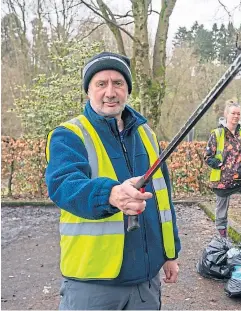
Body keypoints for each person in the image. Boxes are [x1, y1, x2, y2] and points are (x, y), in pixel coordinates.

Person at [45, 51, 181, 310]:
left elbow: (164, 200)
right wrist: (110, 194)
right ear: (88, 91)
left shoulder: (146, 134)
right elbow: (63, 185)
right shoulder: (69, 135)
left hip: (145, 282)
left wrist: (169, 253)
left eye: (118, 83)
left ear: (127, 90)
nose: (110, 92)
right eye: (101, 84)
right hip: (92, 283)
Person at [204, 99, 241, 237]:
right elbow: (208, 157)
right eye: (233, 113)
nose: (236, 116)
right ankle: (223, 240)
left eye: (238, 114)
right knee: (221, 214)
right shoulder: (217, 134)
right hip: (223, 182)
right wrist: (221, 165)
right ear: (226, 114)